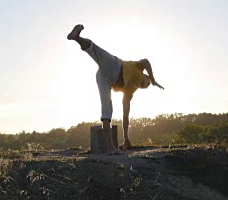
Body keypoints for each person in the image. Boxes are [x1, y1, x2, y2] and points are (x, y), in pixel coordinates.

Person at [67, 24, 164, 154]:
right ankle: (76, 37)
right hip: (114, 65)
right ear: (145, 77)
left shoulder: (130, 91)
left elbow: (125, 115)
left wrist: (126, 138)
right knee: (95, 51)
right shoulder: (139, 68)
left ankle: (110, 148)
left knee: (107, 110)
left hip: (105, 79)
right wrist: (153, 80)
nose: (146, 86)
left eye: (146, 86)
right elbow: (146, 61)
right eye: (147, 83)